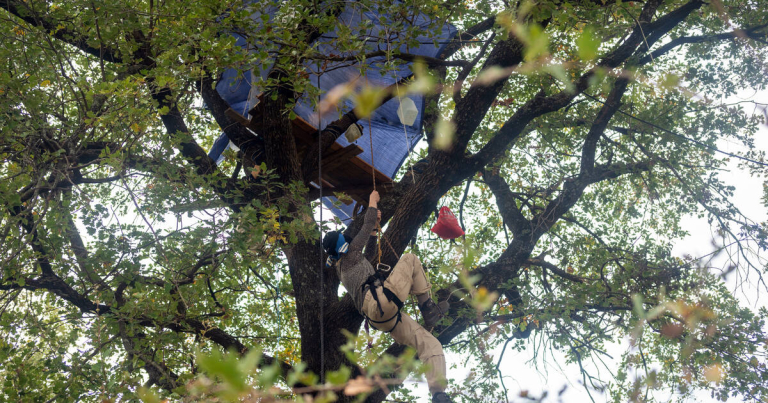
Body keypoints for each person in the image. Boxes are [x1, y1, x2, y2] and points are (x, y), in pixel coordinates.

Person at [323, 190, 452, 403]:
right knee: (410, 259)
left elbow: (370, 255)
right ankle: (427, 307)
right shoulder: (350, 255)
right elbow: (365, 226)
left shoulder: (344, 265)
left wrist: (374, 232)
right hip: (380, 303)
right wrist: (372, 201)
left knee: (431, 345)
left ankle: (439, 393)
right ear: (342, 246)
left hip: (382, 318)